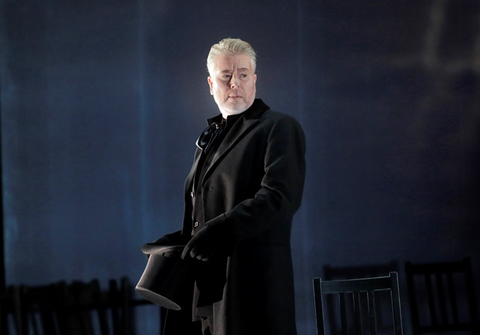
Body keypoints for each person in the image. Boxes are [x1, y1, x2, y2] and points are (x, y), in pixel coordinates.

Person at [153, 38, 306, 335]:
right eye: (226, 76)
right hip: (206, 291)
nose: (235, 82)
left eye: (243, 74)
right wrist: (181, 240)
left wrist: (218, 231)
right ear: (211, 85)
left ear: (255, 81)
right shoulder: (207, 139)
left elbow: (279, 197)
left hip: (251, 289)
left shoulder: (278, 127)